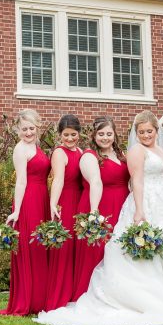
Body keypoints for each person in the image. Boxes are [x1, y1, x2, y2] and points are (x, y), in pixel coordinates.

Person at [36, 111, 163, 325]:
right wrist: (139, 209)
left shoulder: (151, 150)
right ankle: (144, 296)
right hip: (144, 203)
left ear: (156, 131)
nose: (145, 135)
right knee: (143, 250)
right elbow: (134, 181)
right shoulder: (127, 152)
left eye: (149, 131)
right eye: (141, 132)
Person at [70, 116, 130, 301]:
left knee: (118, 250)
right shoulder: (90, 155)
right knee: (98, 251)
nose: (105, 137)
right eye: (101, 134)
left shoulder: (120, 154)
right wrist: (94, 213)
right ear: (94, 135)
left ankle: (118, 295)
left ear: (115, 134)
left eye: (109, 133)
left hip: (121, 206)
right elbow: (95, 182)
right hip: (99, 205)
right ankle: (92, 296)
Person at [0, 109, 51, 316]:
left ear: (37, 127)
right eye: (24, 129)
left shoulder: (35, 146)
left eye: (31, 128)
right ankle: (28, 299)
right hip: (28, 200)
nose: (28, 132)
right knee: (31, 247)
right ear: (18, 131)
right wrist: (17, 210)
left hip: (42, 199)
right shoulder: (20, 149)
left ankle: (40, 298)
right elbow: (21, 180)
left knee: (40, 247)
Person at [45, 114, 84, 311]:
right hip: (66, 202)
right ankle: (58, 297)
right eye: (66, 135)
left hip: (80, 202)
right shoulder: (59, 153)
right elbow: (58, 179)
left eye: (73, 134)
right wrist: (53, 204)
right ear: (60, 135)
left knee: (78, 249)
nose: (69, 139)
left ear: (79, 134)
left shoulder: (81, 151)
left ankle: (75, 294)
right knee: (64, 249)